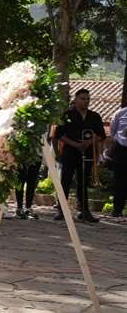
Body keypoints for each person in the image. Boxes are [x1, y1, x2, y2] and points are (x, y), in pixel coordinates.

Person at [54, 88, 105, 223]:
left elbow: (101, 135)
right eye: (83, 98)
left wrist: (88, 142)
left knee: (83, 182)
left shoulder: (95, 116)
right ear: (75, 100)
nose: (86, 101)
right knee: (65, 180)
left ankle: (84, 211)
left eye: (88, 99)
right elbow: (59, 135)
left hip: (87, 152)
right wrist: (75, 144)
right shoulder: (67, 115)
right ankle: (61, 210)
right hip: (70, 152)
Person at [108, 105, 126, 219]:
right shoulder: (120, 113)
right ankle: (117, 209)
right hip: (122, 150)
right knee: (120, 180)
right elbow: (113, 132)